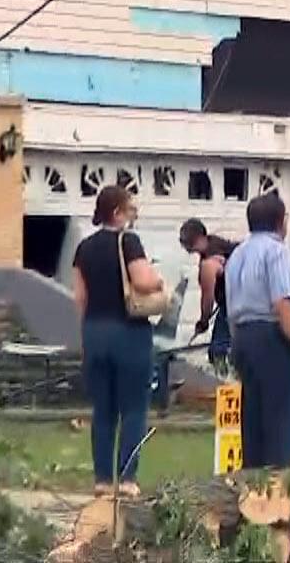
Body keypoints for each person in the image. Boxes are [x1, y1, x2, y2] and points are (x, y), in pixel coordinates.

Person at [71, 184, 165, 498]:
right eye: (129, 207)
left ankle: (101, 479)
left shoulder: (83, 248)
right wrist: (158, 280)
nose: (132, 212)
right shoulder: (129, 242)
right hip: (129, 333)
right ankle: (126, 478)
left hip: (95, 332)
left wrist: (84, 337)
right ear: (116, 212)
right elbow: (141, 279)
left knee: (104, 410)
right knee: (134, 408)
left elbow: (80, 298)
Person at [225, 190, 290, 469]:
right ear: (281, 221)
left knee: (253, 422)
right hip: (273, 337)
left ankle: (253, 485)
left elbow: (232, 309)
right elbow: (283, 306)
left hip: (244, 336)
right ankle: (279, 489)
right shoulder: (276, 251)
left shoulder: (237, 256)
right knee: (281, 421)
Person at [179, 218, 238, 366]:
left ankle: (223, 381)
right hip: (240, 302)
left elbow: (208, 297)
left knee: (218, 352)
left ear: (198, 238)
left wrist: (204, 320)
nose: (184, 247)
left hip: (233, 305)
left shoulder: (209, 261)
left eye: (185, 242)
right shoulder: (218, 244)